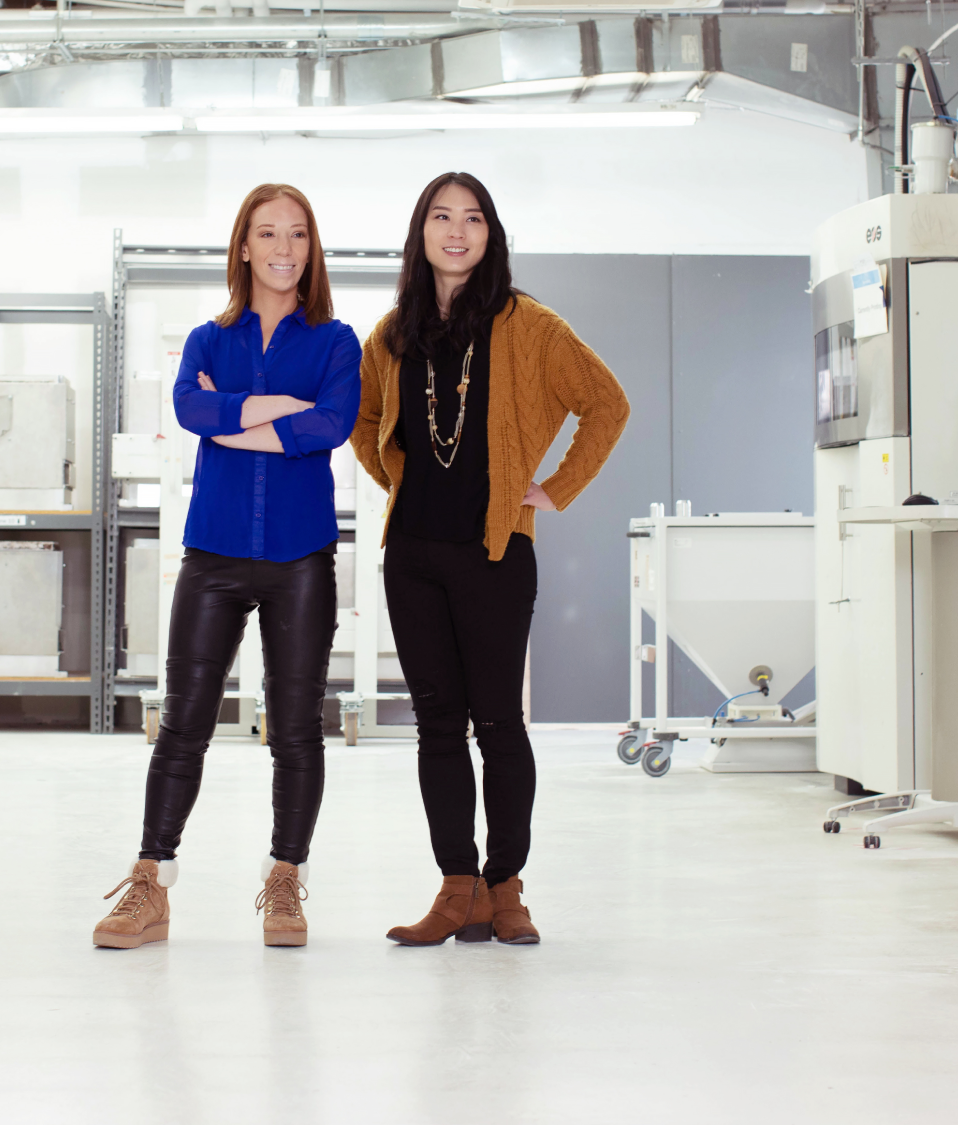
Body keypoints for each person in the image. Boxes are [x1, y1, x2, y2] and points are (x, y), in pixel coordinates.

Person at [352, 171, 629, 946]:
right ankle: (457, 888)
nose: (456, 231)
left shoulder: (529, 325)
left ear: (490, 234)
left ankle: (507, 888)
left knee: (498, 723)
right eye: (442, 217)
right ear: (421, 233)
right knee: (437, 725)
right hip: (412, 555)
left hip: (494, 554)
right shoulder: (390, 332)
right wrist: (397, 481)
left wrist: (555, 488)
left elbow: (607, 403)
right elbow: (367, 418)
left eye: (472, 218)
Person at [93, 183, 361, 950]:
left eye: (298, 235)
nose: (283, 249)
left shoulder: (337, 341)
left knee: (297, 730)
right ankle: (150, 884)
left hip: (301, 556)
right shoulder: (208, 340)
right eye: (267, 233)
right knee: (182, 724)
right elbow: (189, 411)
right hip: (211, 552)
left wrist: (238, 411)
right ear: (242, 246)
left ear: (312, 249)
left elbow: (333, 425)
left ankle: (285, 881)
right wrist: (284, 409)